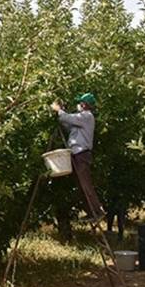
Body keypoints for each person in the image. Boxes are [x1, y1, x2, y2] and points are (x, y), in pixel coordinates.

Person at [52, 93, 105, 221]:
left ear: (84, 104)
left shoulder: (86, 116)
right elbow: (68, 124)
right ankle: (92, 212)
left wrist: (59, 110)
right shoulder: (80, 120)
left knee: (85, 184)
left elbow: (69, 118)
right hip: (76, 154)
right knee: (81, 185)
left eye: (79, 103)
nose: (78, 105)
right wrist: (61, 114)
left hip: (81, 154)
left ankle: (97, 211)